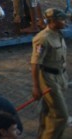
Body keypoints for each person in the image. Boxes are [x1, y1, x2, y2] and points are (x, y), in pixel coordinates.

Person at [31, 8, 68, 139]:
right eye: (62, 20)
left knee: (48, 112)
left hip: (59, 76)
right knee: (61, 115)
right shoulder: (42, 38)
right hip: (48, 79)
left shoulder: (57, 32)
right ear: (53, 22)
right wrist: (36, 87)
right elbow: (35, 63)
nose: (65, 22)